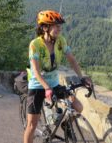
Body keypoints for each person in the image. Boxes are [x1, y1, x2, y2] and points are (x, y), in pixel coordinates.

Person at [23, 10, 92, 143]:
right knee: (32, 125)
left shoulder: (60, 41)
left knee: (78, 106)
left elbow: (72, 60)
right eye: (56, 26)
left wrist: (82, 77)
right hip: (38, 85)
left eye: (59, 26)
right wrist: (46, 88)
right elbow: (36, 71)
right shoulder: (35, 45)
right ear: (45, 27)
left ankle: (66, 125)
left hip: (54, 84)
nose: (59, 29)